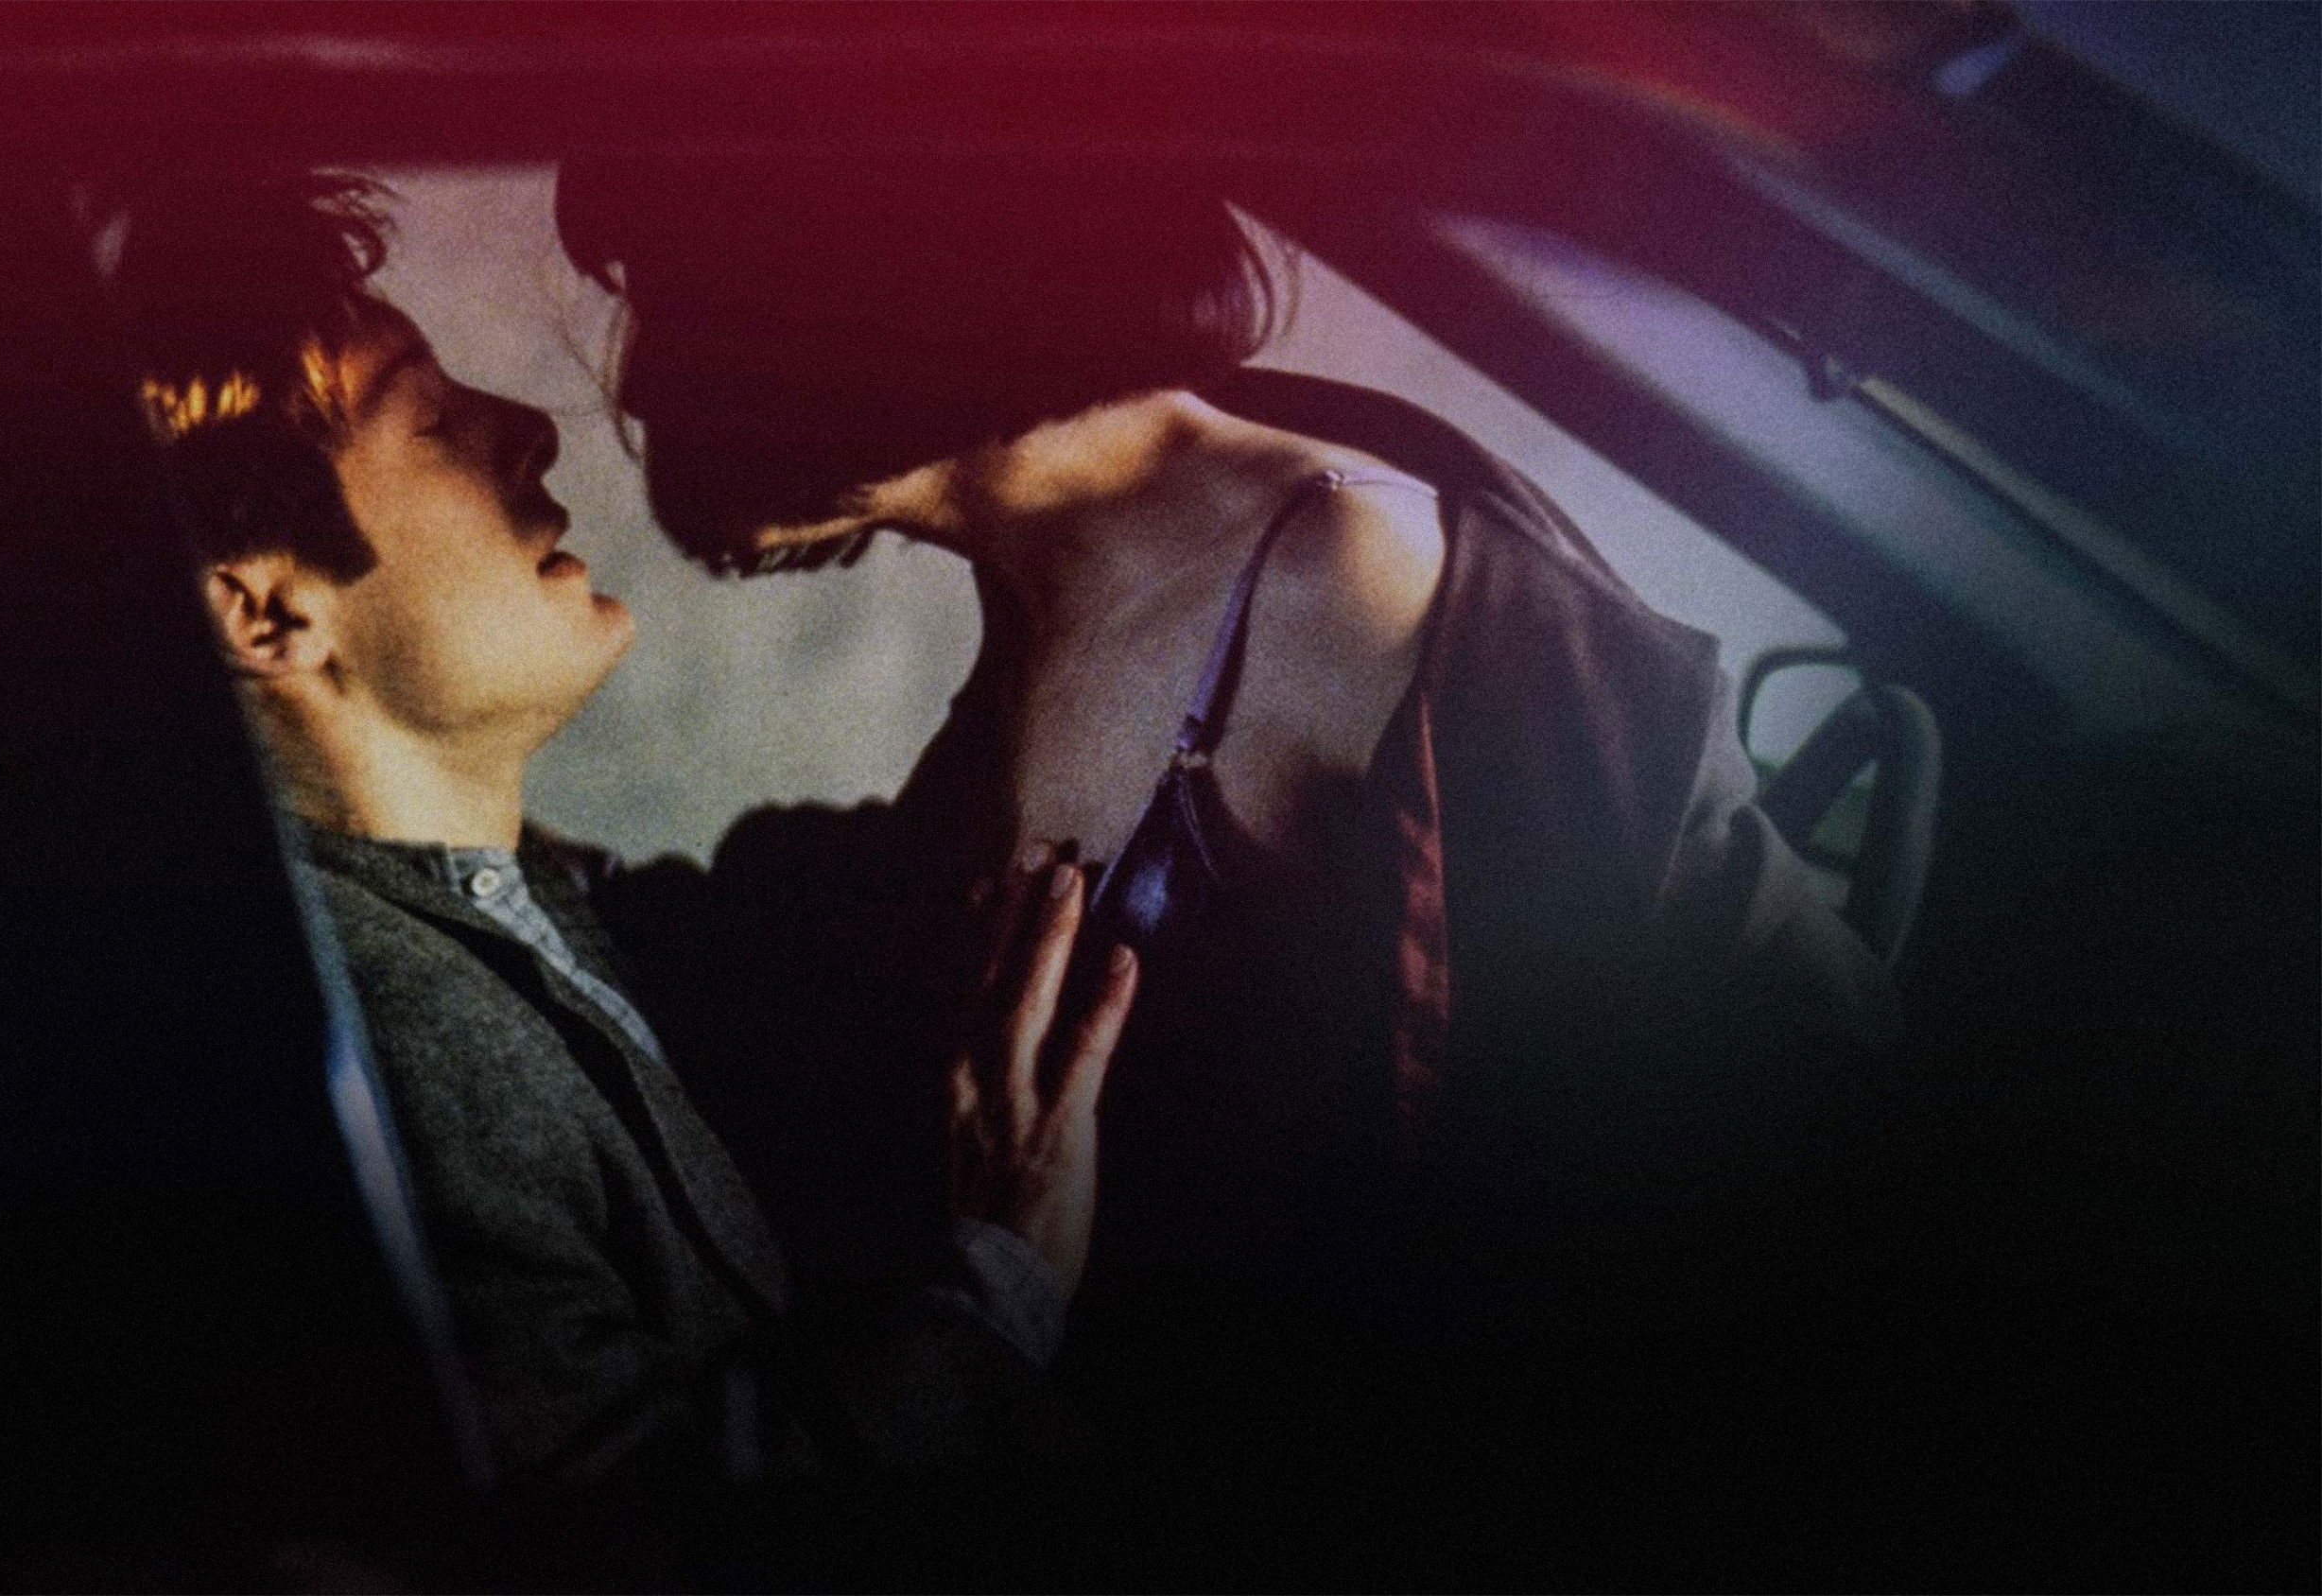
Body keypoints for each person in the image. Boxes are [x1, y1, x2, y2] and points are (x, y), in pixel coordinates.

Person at [557, 153, 1907, 1570]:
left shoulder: (1364, 580)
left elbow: (1806, 1088)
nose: (646, 387)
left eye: (686, 303)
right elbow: (888, 930)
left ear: (858, 293)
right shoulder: (1046, 556)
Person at [106, 171, 1139, 1494]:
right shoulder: (378, 1045)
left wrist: (1057, 591)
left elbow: (788, 923)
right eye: (432, 423)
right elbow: (636, 1543)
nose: (531, 430)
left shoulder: (491, 905)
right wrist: (1004, 1281)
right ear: (265, 616)